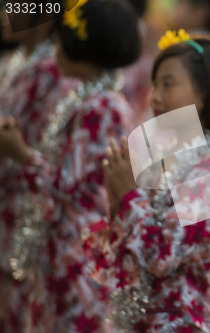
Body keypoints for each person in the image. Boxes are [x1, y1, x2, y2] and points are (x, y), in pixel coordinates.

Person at [0, 0, 141, 331]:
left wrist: (21, 153)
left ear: (85, 45)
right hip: (63, 247)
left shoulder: (101, 107)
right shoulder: (88, 101)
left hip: (77, 251)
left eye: (63, 38)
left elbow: (65, 187)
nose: (57, 48)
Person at [89, 30, 210, 332]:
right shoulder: (158, 163)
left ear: (206, 94)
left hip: (179, 322)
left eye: (168, 84)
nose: (155, 96)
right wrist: (118, 198)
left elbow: (162, 257)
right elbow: (125, 247)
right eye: (154, 83)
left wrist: (128, 196)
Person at [0, 5, 61, 332]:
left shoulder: (50, 69)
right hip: (6, 201)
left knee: (22, 303)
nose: (4, 12)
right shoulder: (11, 63)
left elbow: (40, 143)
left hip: (27, 200)